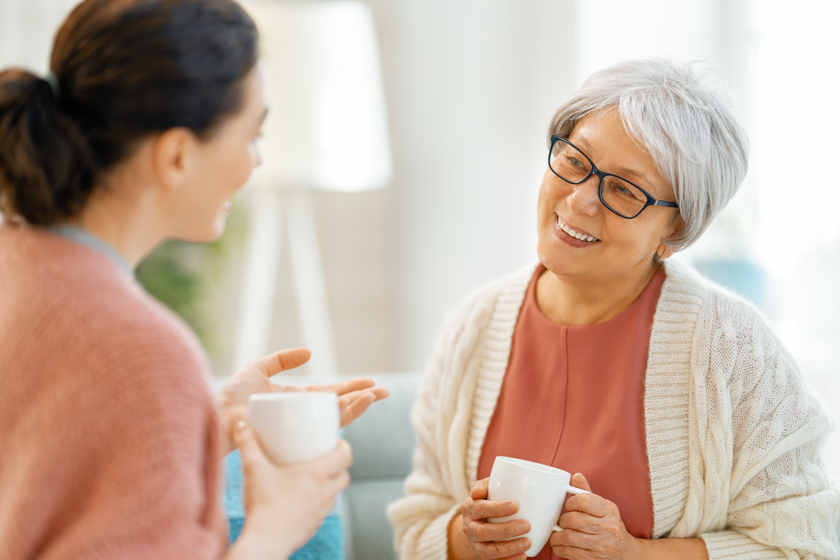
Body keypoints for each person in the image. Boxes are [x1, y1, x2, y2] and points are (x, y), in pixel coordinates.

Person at [387, 58, 840, 560]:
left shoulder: (734, 349)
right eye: (576, 161)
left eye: (624, 189)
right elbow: (415, 527)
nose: (580, 201)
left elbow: (806, 546)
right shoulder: (473, 326)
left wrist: (633, 554)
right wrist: (465, 538)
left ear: (674, 231)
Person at [0, 0, 387, 558]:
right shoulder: (142, 351)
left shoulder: (20, 264)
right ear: (178, 155)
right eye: (252, 136)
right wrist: (276, 529)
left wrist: (204, 417)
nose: (255, 163)